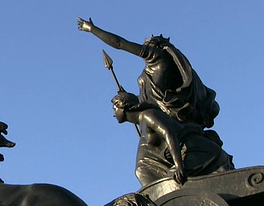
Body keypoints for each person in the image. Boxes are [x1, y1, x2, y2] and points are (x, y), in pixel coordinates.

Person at [78, 17, 220, 129]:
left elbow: (119, 43)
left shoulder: (156, 57)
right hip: (160, 120)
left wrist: (92, 28)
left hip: (165, 121)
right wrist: (129, 98)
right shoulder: (159, 68)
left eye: (148, 42)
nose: (144, 44)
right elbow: (151, 101)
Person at [111, 91, 234, 187]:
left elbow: (169, 134)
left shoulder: (148, 115)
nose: (113, 114)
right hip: (187, 152)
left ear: (123, 106)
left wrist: (179, 165)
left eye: (114, 108)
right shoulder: (142, 121)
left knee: (171, 181)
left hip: (198, 151)